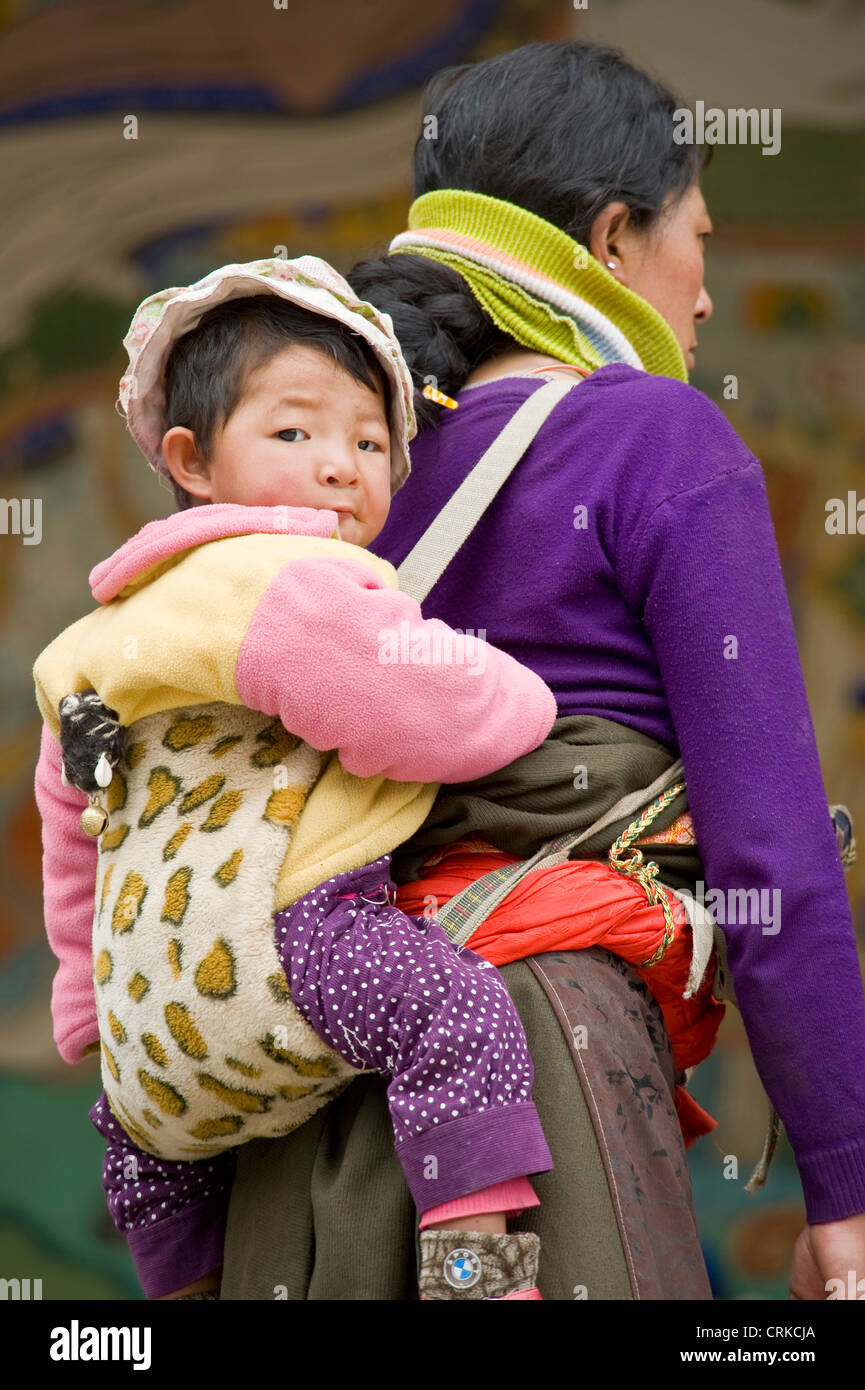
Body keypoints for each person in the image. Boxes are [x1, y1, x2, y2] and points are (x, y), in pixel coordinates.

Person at [217, 40, 865, 1301]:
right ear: (614, 241)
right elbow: (769, 865)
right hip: (535, 1116)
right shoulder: (657, 442)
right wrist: (843, 1179)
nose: (708, 297)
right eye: (699, 241)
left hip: (298, 1156)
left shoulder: (326, 478)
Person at [33, 255, 564, 1303]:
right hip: (289, 945)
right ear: (190, 458)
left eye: (370, 442)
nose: (340, 465)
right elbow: (412, 707)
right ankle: (477, 1278)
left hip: (149, 1033)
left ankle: (186, 1290)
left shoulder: (91, 642)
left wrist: (84, 1007)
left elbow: (72, 828)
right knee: (459, 1020)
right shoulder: (290, 580)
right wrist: (529, 699)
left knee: (139, 1150)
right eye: (295, 433)